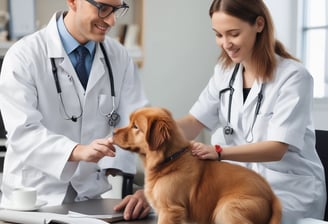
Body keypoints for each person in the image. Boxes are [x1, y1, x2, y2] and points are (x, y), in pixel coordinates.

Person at [177, 0, 326, 223]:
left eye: (233, 34)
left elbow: (276, 149)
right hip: (236, 186)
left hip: (286, 189)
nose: (225, 43)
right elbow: (193, 122)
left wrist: (219, 152)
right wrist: (156, 130)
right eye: (218, 35)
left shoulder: (294, 77)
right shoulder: (224, 72)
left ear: (259, 24)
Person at [0, 0, 151, 220]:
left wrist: (151, 190)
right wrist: (76, 150)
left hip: (93, 202)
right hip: (34, 201)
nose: (111, 20)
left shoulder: (118, 56)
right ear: (72, 1)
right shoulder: (24, 56)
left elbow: (141, 126)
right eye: (103, 8)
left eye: (117, 9)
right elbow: (23, 132)